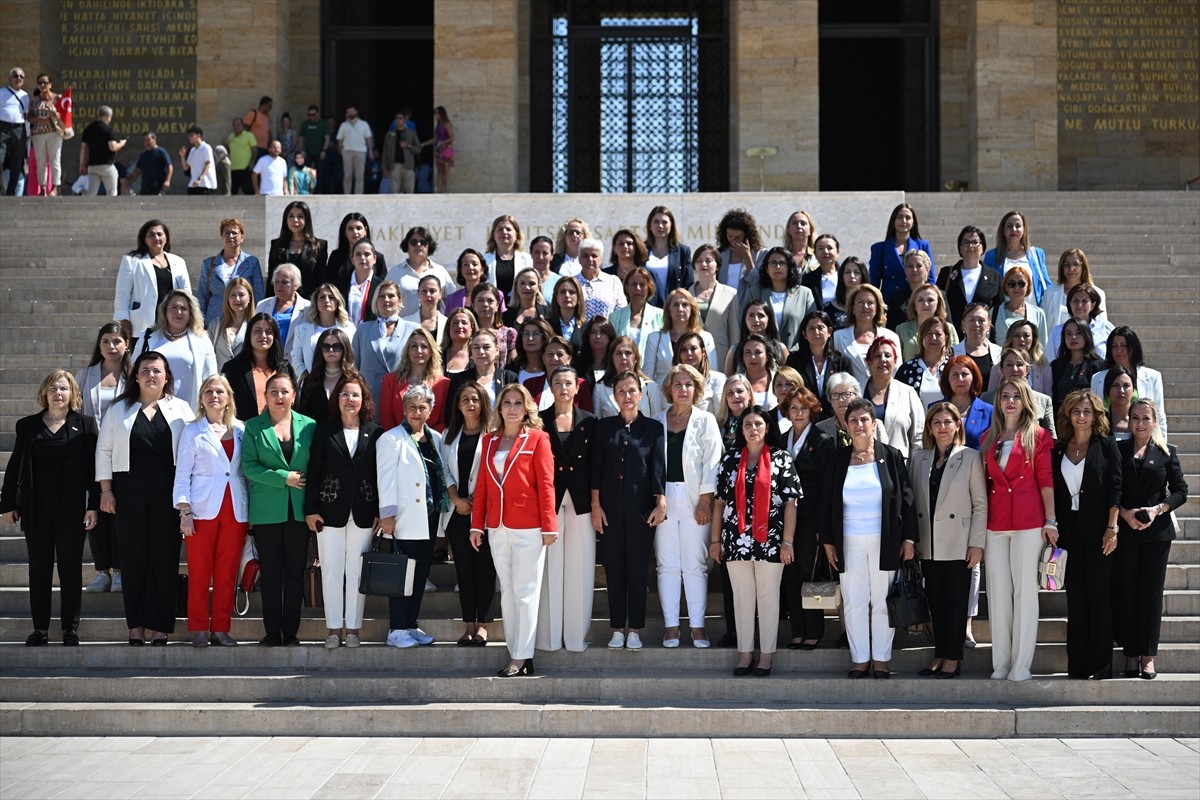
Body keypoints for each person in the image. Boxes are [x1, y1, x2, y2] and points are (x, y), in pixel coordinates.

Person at [95, 351, 193, 645]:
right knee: (134, 559)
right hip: (128, 492)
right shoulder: (118, 409)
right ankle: (135, 625)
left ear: (167, 377)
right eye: (145, 370)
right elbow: (104, 451)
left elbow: (191, 453)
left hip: (169, 494)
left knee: (164, 559)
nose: (151, 375)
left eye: (157, 371)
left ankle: (160, 626)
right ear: (135, 376)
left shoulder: (182, 409)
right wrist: (106, 489)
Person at [820, 399, 917, 679]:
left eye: (864, 419)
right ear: (846, 426)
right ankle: (860, 658)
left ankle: (882, 658)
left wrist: (909, 538)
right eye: (853, 421)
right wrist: (827, 540)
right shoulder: (838, 459)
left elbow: (906, 498)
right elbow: (827, 501)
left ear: (874, 424)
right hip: (848, 540)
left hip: (884, 539)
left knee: (882, 599)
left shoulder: (891, 455)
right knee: (854, 600)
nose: (859, 425)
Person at [0, 371, 99, 646]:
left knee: (70, 569)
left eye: (64, 388)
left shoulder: (87, 425)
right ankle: (40, 629)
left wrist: (93, 505)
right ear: (45, 393)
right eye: (53, 388)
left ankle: (70, 628)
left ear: (72, 394)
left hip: (72, 509)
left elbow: (93, 470)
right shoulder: (27, 425)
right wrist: (8, 503)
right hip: (36, 509)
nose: (58, 393)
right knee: (39, 570)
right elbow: (15, 465)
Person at [468, 384, 557, 675]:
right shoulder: (489, 441)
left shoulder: (538, 438)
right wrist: (476, 525)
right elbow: (481, 487)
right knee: (507, 592)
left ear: (527, 407)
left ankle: (521, 657)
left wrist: (549, 525)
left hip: (529, 526)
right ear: (500, 407)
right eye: (507, 402)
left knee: (525, 592)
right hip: (497, 526)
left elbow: (546, 485)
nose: (512, 408)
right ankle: (516, 650)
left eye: (518, 402)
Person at [711, 405, 802, 676]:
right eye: (747, 424)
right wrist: (715, 541)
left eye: (758, 424)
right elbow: (719, 504)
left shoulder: (781, 458)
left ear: (767, 428)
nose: (753, 429)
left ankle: (766, 655)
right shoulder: (729, 460)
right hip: (736, 540)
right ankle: (745, 653)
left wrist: (787, 542)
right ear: (741, 429)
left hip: (771, 542)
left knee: (768, 598)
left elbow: (791, 502)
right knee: (742, 599)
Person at [983, 377, 1057, 682]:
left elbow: (1046, 479)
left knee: (1025, 593)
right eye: (1005, 396)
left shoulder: (1038, 435)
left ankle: (1021, 665)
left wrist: (1050, 520)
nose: (1010, 401)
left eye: (1016, 396)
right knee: (998, 595)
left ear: (1026, 401)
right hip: (995, 523)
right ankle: (1001, 663)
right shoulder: (989, 436)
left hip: (1029, 522)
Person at [909, 403, 987, 678]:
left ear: (957, 426)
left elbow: (980, 503)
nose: (942, 427)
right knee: (936, 604)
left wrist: (977, 543)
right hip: (928, 543)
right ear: (929, 427)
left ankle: (953, 658)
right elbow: (912, 503)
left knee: (955, 603)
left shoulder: (970, 456)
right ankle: (940, 653)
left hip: (959, 542)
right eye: (936, 422)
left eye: (947, 422)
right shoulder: (919, 458)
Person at [304, 373, 382, 649]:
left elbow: (379, 475)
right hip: (328, 512)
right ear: (336, 399)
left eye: (356, 395)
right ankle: (334, 629)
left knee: (357, 572)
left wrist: (380, 510)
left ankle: (353, 629)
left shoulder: (375, 432)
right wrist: (310, 510)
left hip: (364, 511)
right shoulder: (324, 431)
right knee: (332, 571)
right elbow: (313, 473)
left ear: (364, 400)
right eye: (345, 394)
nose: (350, 399)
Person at [591, 372, 667, 652]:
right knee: (614, 568)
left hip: (640, 508)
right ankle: (616, 628)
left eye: (632, 390)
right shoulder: (604, 428)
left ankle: (634, 628)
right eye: (621, 391)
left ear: (641, 394)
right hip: (609, 506)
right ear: (614, 395)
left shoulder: (653, 428)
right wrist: (596, 506)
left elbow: (658, 468)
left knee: (637, 568)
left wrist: (661, 502)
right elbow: (596, 469)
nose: (627, 396)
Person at [172, 375, 249, 647]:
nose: (214, 395)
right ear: (202, 399)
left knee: (227, 572)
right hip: (202, 511)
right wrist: (184, 511)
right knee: (200, 571)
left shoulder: (241, 429)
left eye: (219, 391)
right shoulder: (192, 431)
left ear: (228, 398)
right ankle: (199, 628)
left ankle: (220, 628)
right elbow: (182, 475)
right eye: (208, 391)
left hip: (236, 510)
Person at [1052, 389, 1122, 680]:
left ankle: (1100, 665)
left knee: (1100, 598)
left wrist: (1112, 527)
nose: (1081, 417)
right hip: (1068, 532)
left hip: (1098, 532)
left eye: (1087, 412)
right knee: (1076, 600)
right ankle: (1077, 665)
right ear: (1068, 414)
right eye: (1076, 411)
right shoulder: (1058, 449)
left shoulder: (1106, 446)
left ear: (1096, 416)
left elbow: (1115, 488)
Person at [651, 364, 722, 649]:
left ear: (696, 389)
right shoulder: (656, 421)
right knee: (667, 564)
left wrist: (706, 499)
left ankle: (697, 627)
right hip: (663, 499)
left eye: (688, 384)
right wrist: (656, 497)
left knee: (694, 564)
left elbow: (712, 461)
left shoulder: (705, 420)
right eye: (678, 384)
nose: (683, 389)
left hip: (695, 499)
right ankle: (671, 627)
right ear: (669, 389)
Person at [1116, 399, 1187, 680]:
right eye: (1135, 418)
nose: (1140, 424)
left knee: (1151, 595)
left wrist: (1159, 509)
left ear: (1154, 422)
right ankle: (1130, 654)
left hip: (1157, 534)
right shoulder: (1117, 450)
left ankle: (1148, 657)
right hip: (1127, 530)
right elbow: (1112, 488)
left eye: (1146, 418)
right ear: (1129, 420)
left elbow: (1181, 491)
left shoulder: (1167, 452)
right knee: (1128, 592)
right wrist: (1124, 513)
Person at [241, 372, 314, 646]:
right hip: (267, 512)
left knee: (295, 572)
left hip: (299, 511)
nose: (279, 397)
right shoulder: (253, 426)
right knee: (271, 574)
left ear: (294, 395)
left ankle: (291, 631)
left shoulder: (309, 426)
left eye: (285, 391)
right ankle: (272, 631)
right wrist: (285, 477)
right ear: (266, 396)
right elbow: (249, 466)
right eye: (274, 392)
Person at [376, 384, 450, 648]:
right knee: (402, 575)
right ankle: (396, 629)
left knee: (420, 575)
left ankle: (411, 624)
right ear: (404, 409)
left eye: (422, 407)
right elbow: (385, 480)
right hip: (404, 519)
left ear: (430, 410)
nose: (417, 412)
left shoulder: (437, 438)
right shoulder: (391, 439)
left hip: (429, 518)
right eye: (412, 407)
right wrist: (388, 516)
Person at [536, 365, 598, 652]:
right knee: (549, 569)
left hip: (582, 503)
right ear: (551, 387)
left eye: (568, 383)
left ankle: (575, 638)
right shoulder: (538, 420)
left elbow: (597, 467)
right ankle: (548, 638)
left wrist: (597, 504)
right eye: (557, 382)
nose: (563, 388)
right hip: (548, 502)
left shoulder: (591, 422)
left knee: (580, 568)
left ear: (577, 388)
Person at [76, 323, 131, 593]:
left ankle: (120, 569)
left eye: (117, 341)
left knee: (119, 510)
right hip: (91, 450)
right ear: (99, 346)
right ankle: (102, 571)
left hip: (124, 452)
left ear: (127, 345)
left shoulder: (133, 375)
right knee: (94, 508)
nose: (112, 346)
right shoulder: (86, 375)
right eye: (106, 341)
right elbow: (75, 411)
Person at [779, 388, 834, 649]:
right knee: (789, 574)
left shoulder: (823, 440)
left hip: (812, 518)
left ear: (811, 410)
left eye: (803, 408)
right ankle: (797, 629)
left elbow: (827, 487)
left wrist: (823, 526)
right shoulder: (780, 439)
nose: (798, 413)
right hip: (784, 518)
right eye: (793, 408)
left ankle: (815, 629)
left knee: (810, 573)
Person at [441, 383, 495, 647]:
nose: (470, 404)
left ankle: (483, 626)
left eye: (475, 399)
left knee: (485, 570)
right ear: (458, 405)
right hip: (457, 512)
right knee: (463, 572)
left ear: (483, 403)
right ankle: (468, 625)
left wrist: (477, 503)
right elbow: (443, 471)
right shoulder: (448, 436)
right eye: (465, 399)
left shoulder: (493, 435)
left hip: (485, 513)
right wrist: (456, 499)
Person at [138, 291, 217, 409]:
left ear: (191, 313)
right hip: (151, 409)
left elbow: (211, 377)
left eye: (184, 308)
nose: (178, 312)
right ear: (165, 311)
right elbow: (133, 370)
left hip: (188, 411)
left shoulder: (202, 339)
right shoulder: (147, 336)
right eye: (174, 307)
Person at [114, 220, 191, 342]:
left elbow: (186, 293)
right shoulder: (132, 260)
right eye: (151, 235)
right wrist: (124, 319)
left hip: (171, 322)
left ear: (166, 237)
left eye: (160, 234)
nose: (156, 238)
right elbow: (122, 292)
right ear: (144, 239)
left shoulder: (179, 262)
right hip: (143, 321)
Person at [1091, 327, 1166, 440]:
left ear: (1133, 347)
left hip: (1144, 443)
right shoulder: (1097, 378)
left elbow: (1159, 415)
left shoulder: (1152, 377)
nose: (1119, 350)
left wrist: (1161, 448)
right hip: (1108, 442)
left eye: (1123, 345)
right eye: (1114, 346)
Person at [221, 313, 296, 423]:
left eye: (269, 332)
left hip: (279, 431)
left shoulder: (285, 368)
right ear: (249, 335)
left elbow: (295, 404)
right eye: (258, 331)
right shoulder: (232, 368)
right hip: (243, 432)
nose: (263, 336)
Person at [740, 246, 817, 350]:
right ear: (766, 268)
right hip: (762, 355)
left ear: (789, 267)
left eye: (782, 263)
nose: (777, 267)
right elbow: (744, 324)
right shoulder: (754, 292)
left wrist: (796, 352)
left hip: (795, 355)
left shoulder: (805, 293)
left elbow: (812, 326)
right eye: (773, 263)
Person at [350, 280, 415, 403]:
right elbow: (353, 368)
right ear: (376, 301)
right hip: (371, 398)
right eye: (381, 296)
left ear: (400, 300)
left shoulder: (413, 330)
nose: (386, 299)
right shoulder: (363, 330)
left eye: (391, 296)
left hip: (402, 398)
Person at [862, 338, 924, 459]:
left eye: (888, 355)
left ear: (895, 361)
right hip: (865, 464)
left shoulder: (908, 393)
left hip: (899, 467)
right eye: (877, 356)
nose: (883, 360)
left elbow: (918, 436)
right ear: (868, 362)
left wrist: (915, 469)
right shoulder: (857, 392)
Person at [379, 328, 451, 431]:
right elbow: (386, 419)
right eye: (414, 346)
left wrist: (426, 439)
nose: (419, 351)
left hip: (430, 442)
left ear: (431, 352)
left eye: (424, 346)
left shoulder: (444, 384)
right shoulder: (390, 381)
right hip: (396, 441)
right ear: (407, 351)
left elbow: (444, 421)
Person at [198, 218, 265, 326]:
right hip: (215, 322)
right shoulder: (209, 264)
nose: (230, 236)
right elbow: (202, 296)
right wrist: (200, 323)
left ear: (242, 237)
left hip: (243, 321)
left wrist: (257, 321)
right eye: (227, 233)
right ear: (222, 237)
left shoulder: (251, 262)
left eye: (234, 233)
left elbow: (259, 294)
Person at [785, 310, 849, 420]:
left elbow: (847, 391)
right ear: (804, 334)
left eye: (820, 328)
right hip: (804, 419)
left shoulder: (841, 361)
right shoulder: (794, 361)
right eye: (811, 328)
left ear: (829, 331)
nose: (816, 332)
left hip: (834, 419)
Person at [938, 225, 1002, 335]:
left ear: (983, 247)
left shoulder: (994, 276)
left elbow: (999, 307)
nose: (970, 246)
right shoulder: (946, 274)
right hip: (953, 337)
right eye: (966, 242)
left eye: (975, 242)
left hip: (983, 338)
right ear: (960, 248)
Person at [643, 289, 717, 384]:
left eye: (685, 305)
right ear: (668, 310)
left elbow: (712, 373)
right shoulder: (655, 338)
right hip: (662, 396)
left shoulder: (705, 337)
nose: (680, 309)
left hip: (698, 394)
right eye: (675, 305)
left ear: (692, 309)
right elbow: (647, 377)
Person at [833, 284, 900, 385]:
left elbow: (897, 371)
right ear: (852, 308)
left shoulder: (892, 337)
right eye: (860, 302)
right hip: (852, 397)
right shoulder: (838, 337)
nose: (865, 307)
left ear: (877, 308)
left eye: (870, 303)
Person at [288, 283, 355, 381]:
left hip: (342, 382)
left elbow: (354, 357)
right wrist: (306, 378)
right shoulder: (302, 330)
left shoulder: (349, 328)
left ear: (337, 302)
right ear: (315, 302)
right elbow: (296, 358)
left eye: (331, 297)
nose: (326, 300)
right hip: (312, 384)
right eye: (322, 297)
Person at [688, 244, 740, 369]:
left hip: (721, 357)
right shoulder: (686, 295)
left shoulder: (730, 294)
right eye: (699, 261)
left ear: (718, 266)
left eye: (708, 260)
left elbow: (735, 334)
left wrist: (733, 364)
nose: (703, 264)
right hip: (692, 358)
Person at [982, 210, 1052, 303]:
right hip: (1004, 313)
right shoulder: (992, 256)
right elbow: (985, 288)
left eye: (1018, 226)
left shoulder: (1037, 254)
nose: (1014, 229)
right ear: (1003, 231)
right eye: (1009, 226)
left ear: (1024, 230)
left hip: (1032, 312)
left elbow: (1046, 285)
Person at [869, 203, 934, 300]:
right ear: (893, 221)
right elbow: (874, 282)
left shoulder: (922, 245)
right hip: (890, 301)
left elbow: (931, 278)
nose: (904, 221)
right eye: (899, 217)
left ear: (913, 222)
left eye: (908, 218)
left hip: (917, 300)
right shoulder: (880, 248)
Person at [592, 336, 667, 418]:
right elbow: (597, 424)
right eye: (618, 353)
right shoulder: (600, 388)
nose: (623, 357)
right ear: (612, 359)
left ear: (636, 359)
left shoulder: (650, 387)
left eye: (628, 353)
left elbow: (657, 422)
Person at [295, 328, 355, 424]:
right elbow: (303, 416)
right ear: (320, 350)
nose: (331, 350)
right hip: (318, 436)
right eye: (326, 347)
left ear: (345, 348)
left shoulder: (355, 380)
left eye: (337, 346)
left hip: (346, 435)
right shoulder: (310, 381)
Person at [446, 329, 518, 407]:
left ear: (497, 350)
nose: (481, 351)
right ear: (471, 352)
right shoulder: (459, 380)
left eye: (486, 347)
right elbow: (452, 414)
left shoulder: (509, 378)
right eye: (476, 348)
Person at [1041, 248, 1108, 329]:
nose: (1071, 269)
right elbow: (1042, 327)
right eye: (1066, 265)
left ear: (1083, 267)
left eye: (1075, 264)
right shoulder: (1049, 293)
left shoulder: (1098, 293)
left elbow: (1103, 326)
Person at [325, 213, 387, 300]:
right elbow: (329, 283)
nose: (355, 232)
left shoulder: (378, 257)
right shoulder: (336, 256)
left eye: (358, 228)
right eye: (350, 229)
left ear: (365, 230)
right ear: (345, 232)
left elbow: (382, 285)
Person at [895, 317, 954, 408]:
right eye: (928, 333)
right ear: (921, 337)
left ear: (946, 338)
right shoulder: (907, 369)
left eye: (938, 334)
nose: (933, 338)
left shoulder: (953, 367)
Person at [1048, 283, 1114, 361]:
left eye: (1084, 301)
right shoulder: (1057, 331)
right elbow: (1050, 361)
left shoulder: (1106, 328)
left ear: (1092, 305)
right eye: (1075, 301)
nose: (1079, 305)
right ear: (1070, 304)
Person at [256, 263, 311, 356]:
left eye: (284, 282)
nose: (279, 285)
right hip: (267, 361)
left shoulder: (308, 307)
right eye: (276, 281)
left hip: (295, 363)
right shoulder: (262, 305)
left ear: (296, 285)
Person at [939, 355, 993, 450]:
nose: (960, 379)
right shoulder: (935, 409)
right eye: (955, 375)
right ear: (947, 379)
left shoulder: (989, 412)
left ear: (974, 378)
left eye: (964, 374)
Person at [1050, 319, 1105, 411]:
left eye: (1078, 333)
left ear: (1087, 335)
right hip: (1061, 420)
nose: (1073, 337)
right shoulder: (1056, 366)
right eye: (1069, 334)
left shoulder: (1099, 365)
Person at [644, 205, 693, 306]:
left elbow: (688, 283)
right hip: (646, 307)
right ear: (650, 226)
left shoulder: (683, 251)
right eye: (656, 222)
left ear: (671, 225)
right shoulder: (641, 249)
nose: (660, 226)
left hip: (673, 308)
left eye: (664, 222)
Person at [608, 268, 663, 357]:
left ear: (649, 287)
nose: (638, 288)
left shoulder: (660, 316)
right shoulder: (614, 317)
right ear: (626, 287)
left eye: (642, 284)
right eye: (633, 284)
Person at [896, 284, 959, 361]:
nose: (925, 304)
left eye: (930, 300)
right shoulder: (901, 329)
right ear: (914, 304)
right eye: (920, 300)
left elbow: (956, 358)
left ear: (938, 303)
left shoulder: (949, 328)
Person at [723, 300, 788, 376]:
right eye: (751, 315)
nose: (756, 320)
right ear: (745, 320)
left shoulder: (780, 348)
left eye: (761, 315)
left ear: (769, 319)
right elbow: (728, 381)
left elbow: (789, 378)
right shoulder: (735, 350)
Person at [993, 265, 1048, 349]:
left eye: (1021, 284)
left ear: (1028, 286)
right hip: (1002, 360)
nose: (1017, 288)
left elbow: (1043, 346)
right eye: (1011, 284)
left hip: (1030, 361)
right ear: (1005, 287)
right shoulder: (994, 312)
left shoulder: (1039, 313)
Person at [673, 331, 726, 415]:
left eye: (693, 348)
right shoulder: (671, 381)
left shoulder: (717, 379)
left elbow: (721, 416)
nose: (689, 353)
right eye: (683, 350)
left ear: (703, 352)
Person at [952, 302, 1002, 390]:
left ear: (989, 325)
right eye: (971, 320)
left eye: (981, 320)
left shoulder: (1000, 353)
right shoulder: (952, 353)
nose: (976, 324)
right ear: (963, 324)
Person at [79, 105, 127, 197]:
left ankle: (88, 210)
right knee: (111, 192)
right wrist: (122, 143)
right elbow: (112, 147)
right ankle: (110, 211)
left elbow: (83, 148)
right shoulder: (108, 129)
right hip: (106, 165)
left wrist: (82, 165)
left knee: (91, 193)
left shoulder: (88, 129)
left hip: (92, 166)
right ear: (108, 116)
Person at [208, 278, 254, 371]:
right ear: (227, 298)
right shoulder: (215, 325)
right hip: (220, 381)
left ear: (249, 298)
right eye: (233, 295)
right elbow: (207, 356)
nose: (237, 299)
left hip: (245, 381)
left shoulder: (255, 326)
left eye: (241, 295)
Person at [885, 249, 936, 333]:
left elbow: (946, 324)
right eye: (910, 266)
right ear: (905, 270)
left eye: (919, 265)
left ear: (927, 269)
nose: (914, 270)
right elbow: (891, 329)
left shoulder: (938, 295)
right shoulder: (896, 298)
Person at [27, 74, 62, 195]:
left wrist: (56, 114)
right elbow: (29, 118)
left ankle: (54, 188)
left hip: (55, 133)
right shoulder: (35, 101)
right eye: (40, 83)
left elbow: (66, 114)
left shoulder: (58, 98)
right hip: (38, 134)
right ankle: (42, 188)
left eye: (45, 83)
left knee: (55, 160)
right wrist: (39, 120)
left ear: (50, 84)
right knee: (40, 161)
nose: (42, 85)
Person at [576, 237, 625, 320]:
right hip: (579, 332)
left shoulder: (613, 281)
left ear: (601, 260)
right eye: (585, 256)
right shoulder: (572, 282)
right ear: (579, 259)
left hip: (607, 331)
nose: (590, 259)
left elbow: (622, 311)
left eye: (594, 256)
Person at [715, 208, 766, 290]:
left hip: (748, 301)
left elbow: (756, 285)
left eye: (738, 237)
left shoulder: (760, 254)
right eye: (730, 236)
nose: (733, 240)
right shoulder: (720, 254)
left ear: (747, 236)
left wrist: (747, 258)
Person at [471, 283, 518, 367]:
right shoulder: (468, 332)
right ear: (473, 305)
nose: (485, 304)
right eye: (480, 300)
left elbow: (512, 364)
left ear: (497, 305)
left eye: (490, 301)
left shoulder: (509, 333)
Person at [483, 215, 532, 296]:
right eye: (500, 229)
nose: (504, 232)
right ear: (493, 234)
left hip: (519, 306)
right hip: (492, 306)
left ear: (516, 234)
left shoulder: (527, 259)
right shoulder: (484, 259)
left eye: (508, 229)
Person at [0, 67, 29, 195]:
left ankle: (11, 191)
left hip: (19, 129)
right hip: (3, 127)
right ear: (9, 78)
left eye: (21, 77)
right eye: (16, 76)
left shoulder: (25, 96)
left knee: (17, 162)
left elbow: (26, 115)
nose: (19, 78)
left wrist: (27, 135)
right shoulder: (1, 92)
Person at [825, 256, 871, 329]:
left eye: (856, 272)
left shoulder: (872, 307)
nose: (852, 276)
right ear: (841, 276)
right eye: (847, 272)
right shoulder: (828, 308)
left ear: (863, 275)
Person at [382, 108, 420, 194]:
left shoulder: (411, 133)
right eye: (397, 118)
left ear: (404, 120)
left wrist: (408, 146)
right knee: (394, 190)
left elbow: (418, 148)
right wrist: (385, 167)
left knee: (409, 189)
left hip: (408, 165)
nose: (398, 120)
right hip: (394, 165)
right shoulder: (389, 135)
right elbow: (385, 151)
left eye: (400, 118)